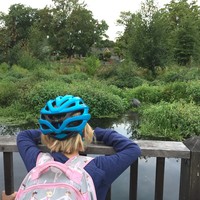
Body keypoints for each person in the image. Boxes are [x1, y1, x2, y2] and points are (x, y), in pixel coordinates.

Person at [15, 94, 141, 200]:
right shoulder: (97, 168)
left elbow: (23, 136)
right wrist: (94, 132)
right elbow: (132, 149)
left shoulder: (37, 163)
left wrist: (53, 130)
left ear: (47, 135)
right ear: (84, 132)